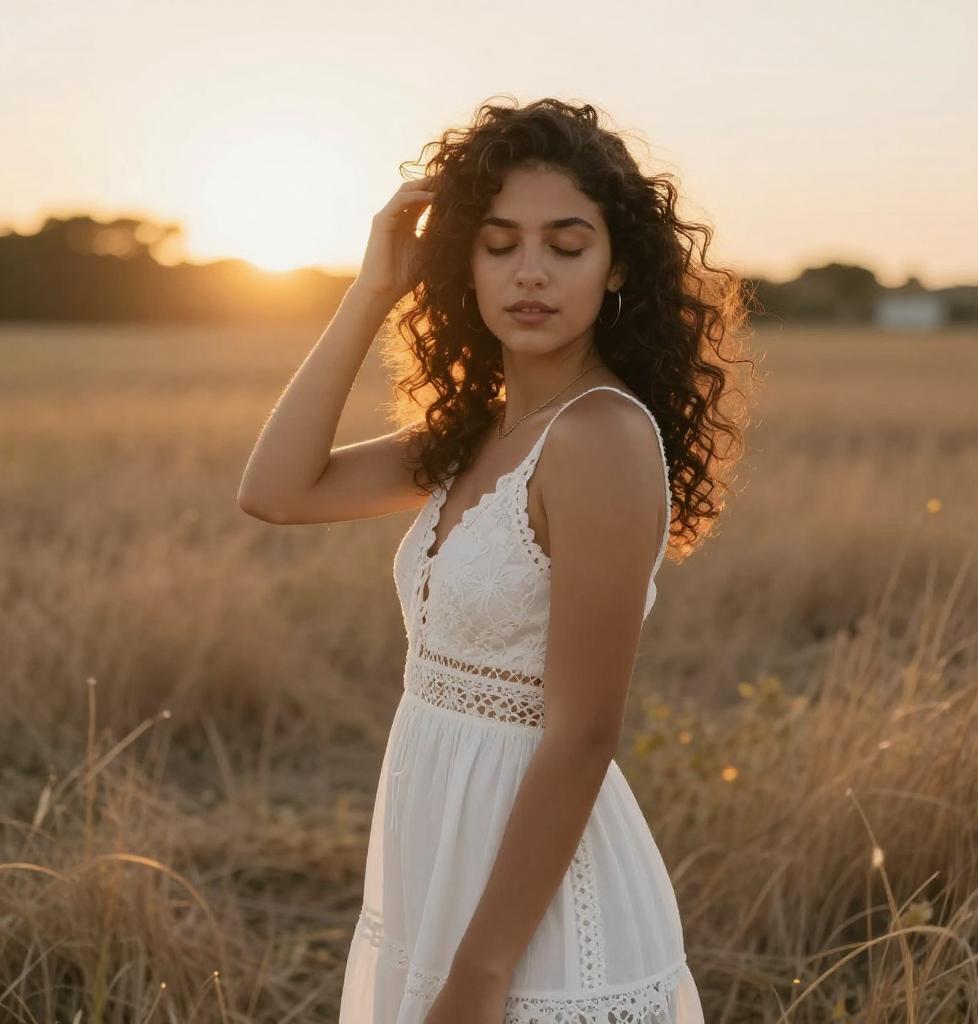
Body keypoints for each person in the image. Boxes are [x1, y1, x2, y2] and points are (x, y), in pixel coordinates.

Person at [238, 96, 752, 1024]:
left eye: (567, 244)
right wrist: (367, 295)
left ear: (618, 263)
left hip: (537, 918)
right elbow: (275, 491)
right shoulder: (482, 428)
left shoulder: (599, 438)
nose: (531, 273)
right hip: (441, 865)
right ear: (462, 263)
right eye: (498, 241)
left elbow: (584, 732)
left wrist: (478, 980)